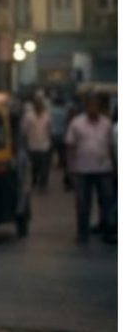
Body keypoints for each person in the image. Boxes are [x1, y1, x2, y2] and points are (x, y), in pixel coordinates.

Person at [64, 92, 113, 242]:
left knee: (106, 202)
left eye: (96, 105)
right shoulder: (76, 123)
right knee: (83, 203)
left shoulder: (107, 124)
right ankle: (82, 233)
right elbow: (70, 147)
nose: (93, 108)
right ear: (86, 107)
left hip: (104, 169)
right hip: (82, 170)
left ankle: (108, 231)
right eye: (90, 105)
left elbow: (112, 146)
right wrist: (69, 169)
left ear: (100, 107)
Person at [21, 94, 53, 193]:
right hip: (32, 146)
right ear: (34, 105)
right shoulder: (28, 116)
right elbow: (24, 131)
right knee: (35, 167)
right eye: (37, 104)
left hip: (45, 146)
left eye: (40, 104)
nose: (39, 106)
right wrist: (25, 145)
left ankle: (42, 185)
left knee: (44, 167)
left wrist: (50, 142)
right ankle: (35, 181)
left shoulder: (47, 116)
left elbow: (49, 130)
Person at [49, 92, 71, 191]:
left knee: (52, 150)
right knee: (62, 151)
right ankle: (61, 163)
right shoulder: (65, 111)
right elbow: (67, 121)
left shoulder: (51, 111)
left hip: (53, 133)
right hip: (63, 133)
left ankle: (53, 163)